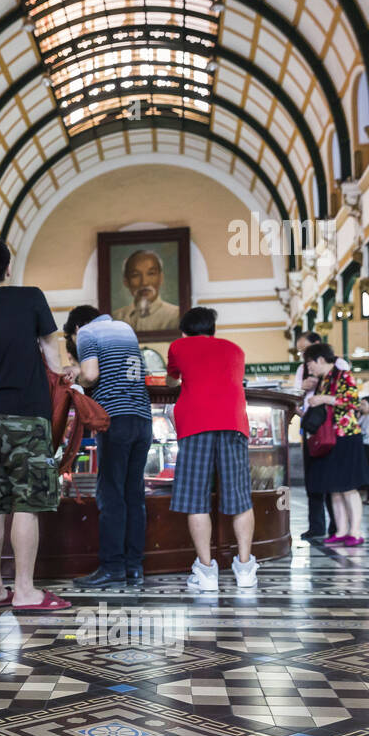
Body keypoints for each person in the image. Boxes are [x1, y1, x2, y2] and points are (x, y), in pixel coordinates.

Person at [0, 235, 69, 611]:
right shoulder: (31, 297)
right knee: (27, 501)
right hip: (27, 415)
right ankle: (24, 591)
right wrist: (68, 371)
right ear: (8, 267)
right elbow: (54, 358)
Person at [164, 307, 258, 591]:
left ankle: (206, 574)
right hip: (233, 423)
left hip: (195, 425)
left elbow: (172, 380)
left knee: (196, 499)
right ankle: (245, 570)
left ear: (184, 330)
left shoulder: (178, 346)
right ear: (213, 329)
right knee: (240, 498)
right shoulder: (235, 349)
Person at [65, 305, 153, 586]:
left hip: (115, 419)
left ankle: (112, 568)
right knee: (133, 496)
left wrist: (73, 378)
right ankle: (133, 568)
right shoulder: (125, 328)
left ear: (76, 327)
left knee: (111, 496)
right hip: (142, 419)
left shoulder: (88, 332)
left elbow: (90, 375)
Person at [301, 342, 369, 545]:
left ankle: (355, 532)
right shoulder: (324, 380)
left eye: (310, 363)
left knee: (349, 487)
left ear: (321, 359)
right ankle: (340, 531)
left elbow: (352, 401)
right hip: (329, 438)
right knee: (334, 487)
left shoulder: (343, 375)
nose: (309, 368)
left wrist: (324, 398)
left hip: (346, 435)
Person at [295, 331, 348, 541]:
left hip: (331, 427)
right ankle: (316, 525)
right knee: (313, 477)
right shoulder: (302, 369)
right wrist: (302, 388)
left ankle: (338, 525)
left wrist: (320, 388)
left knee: (333, 478)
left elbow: (345, 394)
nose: (302, 355)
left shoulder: (340, 365)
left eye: (305, 350)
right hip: (310, 427)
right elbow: (297, 396)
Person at [112, 249, 181, 332]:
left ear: (161, 278)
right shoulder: (115, 318)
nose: (144, 282)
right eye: (135, 275)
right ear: (126, 282)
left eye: (151, 273)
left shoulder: (176, 316)